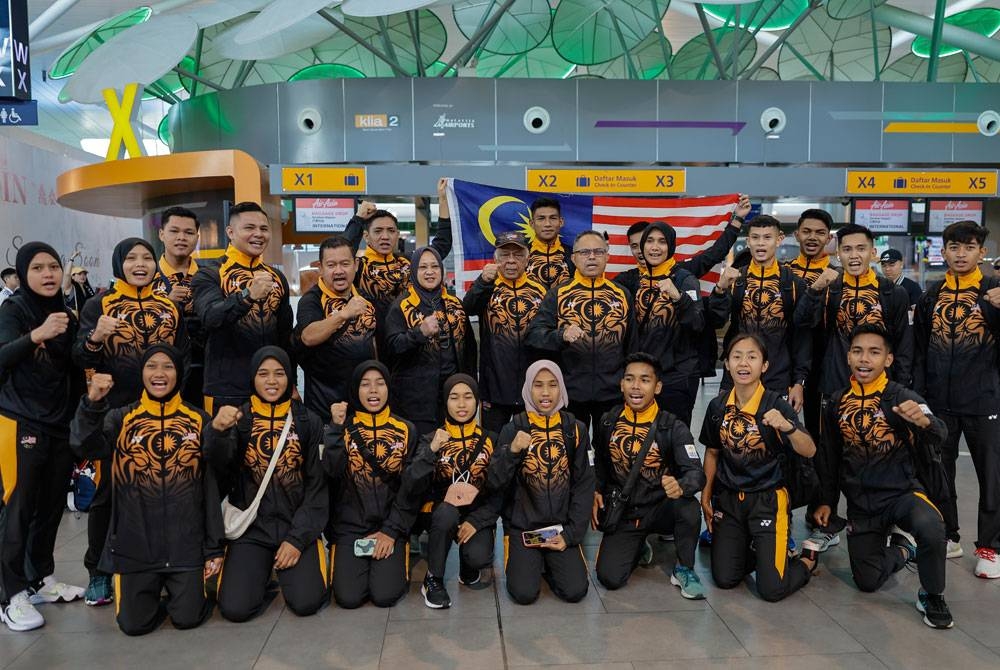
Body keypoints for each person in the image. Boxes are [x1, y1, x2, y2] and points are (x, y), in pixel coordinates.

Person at [69, 344, 223, 635]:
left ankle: (178, 589)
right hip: (136, 548)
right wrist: (91, 403)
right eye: (152, 366)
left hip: (184, 547)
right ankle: (146, 586)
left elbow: (210, 488)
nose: (160, 374)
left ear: (179, 373)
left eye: (168, 366)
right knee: (133, 625)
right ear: (141, 373)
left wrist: (212, 547)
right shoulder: (120, 418)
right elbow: (82, 445)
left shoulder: (198, 419)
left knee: (187, 618)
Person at [73, 237, 189, 608]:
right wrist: (96, 337)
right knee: (107, 493)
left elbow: (183, 355)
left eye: (146, 258)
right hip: (115, 413)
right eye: (132, 258)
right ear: (119, 263)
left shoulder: (168, 306)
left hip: (161, 411)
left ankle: (158, 564)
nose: (140, 264)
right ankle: (98, 572)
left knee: (160, 489)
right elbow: (78, 357)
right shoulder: (99, 303)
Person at [816, 325, 952, 628]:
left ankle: (932, 595)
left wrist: (925, 422)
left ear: (888, 360)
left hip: (902, 495)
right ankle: (904, 549)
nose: (864, 359)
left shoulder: (902, 396)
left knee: (931, 526)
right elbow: (829, 457)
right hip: (862, 506)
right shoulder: (836, 402)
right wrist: (826, 501)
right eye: (857, 351)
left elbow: (940, 432)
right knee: (867, 581)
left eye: (874, 352)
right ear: (848, 356)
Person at [801, 224, 913, 552]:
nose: (854, 255)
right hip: (835, 389)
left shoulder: (893, 293)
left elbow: (903, 347)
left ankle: (881, 521)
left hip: (881, 393)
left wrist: (898, 391)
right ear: (839, 253)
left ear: (872, 252)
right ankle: (825, 521)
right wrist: (815, 289)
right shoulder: (831, 289)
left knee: (876, 456)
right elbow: (802, 324)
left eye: (860, 249)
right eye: (847, 250)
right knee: (828, 458)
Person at [207, 347, 329, 621]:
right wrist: (215, 432)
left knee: (307, 602)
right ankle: (256, 574)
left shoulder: (308, 421)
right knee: (235, 609)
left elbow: (317, 487)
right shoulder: (240, 420)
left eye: (279, 373)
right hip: (251, 529)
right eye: (263, 374)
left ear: (289, 378)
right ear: (253, 378)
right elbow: (218, 470)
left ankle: (301, 557)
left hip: (295, 526)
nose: (271, 381)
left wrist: (297, 540)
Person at [0, 243, 83, 632]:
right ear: (22, 272)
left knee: (49, 506)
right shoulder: (14, 311)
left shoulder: (65, 313)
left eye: (54, 266)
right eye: (38, 268)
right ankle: (8, 594)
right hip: (20, 420)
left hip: (58, 424)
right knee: (17, 508)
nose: (48, 274)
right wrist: (35, 335)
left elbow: (75, 365)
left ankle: (39, 578)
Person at [699, 333, 819, 602]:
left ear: (764, 365)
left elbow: (809, 449)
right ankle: (762, 552)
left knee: (772, 589)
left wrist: (787, 426)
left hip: (768, 500)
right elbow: (712, 452)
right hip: (730, 500)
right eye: (736, 356)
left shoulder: (776, 405)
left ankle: (807, 561)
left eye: (752, 357)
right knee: (725, 578)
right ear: (727, 364)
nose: (744, 363)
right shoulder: (718, 406)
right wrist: (706, 496)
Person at [913, 220, 1000, 573]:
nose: (960, 254)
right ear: (943, 251)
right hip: (939, 403)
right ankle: (949, 535)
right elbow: (918, 350)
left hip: (984, 402)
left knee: (991, 476)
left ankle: (990, 548)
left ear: (982, 252)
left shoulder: (994, 290)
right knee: (939, 473)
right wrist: (919, 397)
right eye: (954, 247)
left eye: (968, 247)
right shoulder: (932, 295)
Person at [592, 353, 706, 598]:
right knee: (609, 578)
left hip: (661, 507)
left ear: (658, 387)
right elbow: (600, 463)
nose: (636, 386)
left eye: (645, 380)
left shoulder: (673, 427)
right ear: (621, 384)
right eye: (630, 379)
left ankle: (684, 569)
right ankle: (637, 545)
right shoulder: (607, 422)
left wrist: (681, 485)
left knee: (688, 507)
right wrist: (596, 490)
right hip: (626, 510)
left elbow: (696, 473)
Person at [489, 360, 594, 605]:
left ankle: (550, 562)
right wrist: (512, 452)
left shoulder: (575, 430)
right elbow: (494, 482)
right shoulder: (513, 428)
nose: (545, 393)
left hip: (560, 527)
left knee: (576, 591)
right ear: (528, 389)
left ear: (562, 388)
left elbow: (584, 485)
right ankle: (532, 562)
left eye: (552, 385)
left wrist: (571, 534)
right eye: (538, 385)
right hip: (523, 528)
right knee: (524, 594)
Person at [322, 360, 419, 609]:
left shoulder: (406, 429)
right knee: (348, 598)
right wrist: (334, 429)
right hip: (350, 528)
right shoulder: (342, 428)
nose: (373, 391)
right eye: (365, 384)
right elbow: (331, 472)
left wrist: (391, 530)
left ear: (389, 388)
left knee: (384, 595)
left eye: (379, 383)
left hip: (390, 526)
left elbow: (411, 489)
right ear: (355, 389)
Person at [404, 374, 501, 609]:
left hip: (474, 513)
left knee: (479, 557)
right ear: (445, 402)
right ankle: (433, 579)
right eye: (454, 397)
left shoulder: (491, 439)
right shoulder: (431, 438)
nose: (461, 404)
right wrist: (432, 450)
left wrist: (478, 521)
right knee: (446, 514)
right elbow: (411, 482)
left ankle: (468, 567)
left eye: (468, 397)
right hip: (439, 512)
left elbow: (500, 489)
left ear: (477, 401)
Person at [526, 230, 633, 431]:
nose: (592, 257)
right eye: (584, 252)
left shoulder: (622, 294)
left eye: (598, 251)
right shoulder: (557, 294)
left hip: (613, 394)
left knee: (610, 456)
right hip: (570, 394)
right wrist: (561, 335)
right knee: (573, 456)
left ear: (607, 256)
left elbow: (632, 344)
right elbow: (533, 336)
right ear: (573, 258)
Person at [192, 201, 293, 413]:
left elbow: (284, 337)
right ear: (230, 232)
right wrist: (248, 295)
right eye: (249, 228)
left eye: (264, 229)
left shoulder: (277, 277)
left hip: (271, 388)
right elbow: (210, 317)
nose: (258, 234)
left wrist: (290, 382)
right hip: (226, 390)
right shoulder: (209, 273)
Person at [709, 215, 810, 412]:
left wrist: (799, 382)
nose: (761, 243)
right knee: (731, 436)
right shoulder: (736, 280)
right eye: (755, 237)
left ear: (779, 239)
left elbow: (802, 337)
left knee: (777, 438)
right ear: (748, 241)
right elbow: (716, 321)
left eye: (767, 237)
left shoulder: (794, 284)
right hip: (737, 375)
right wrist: (719, 290)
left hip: (778, 378)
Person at [342, 179, 453, 337]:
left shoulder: (409, 262)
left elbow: (441, 245)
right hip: (374, 344)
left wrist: (442, 200)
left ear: (397, 235)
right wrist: (358, 218)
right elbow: (341, 253)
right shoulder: (359, 267)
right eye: (378, 231)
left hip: (411, 342)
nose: (385, 236)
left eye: (391, 231)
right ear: (366, 237)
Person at [384, 246, 476, 436]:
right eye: (423, 267)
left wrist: (471, 388)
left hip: (453, 398)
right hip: (415, 401)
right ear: (413, 271)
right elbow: (392, 348)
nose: (429, 272)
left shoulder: (455, 304)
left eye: (435, 266)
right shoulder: (401, 305)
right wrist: (419, 333)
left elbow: (469, 350)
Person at [462, 231, 546, 433]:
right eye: (505, 255)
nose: (510, 261)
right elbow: (467, 309)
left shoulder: (541, 291)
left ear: (527, 259)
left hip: (531, 390)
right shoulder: (486, 285)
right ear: (495, 258)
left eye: (517, 255)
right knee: (494, 447)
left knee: (530, 450)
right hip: (494, 389)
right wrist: (482, 282)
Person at [629, 222, 705, 427]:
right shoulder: (637, 281)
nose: (655, 247)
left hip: (677, 377)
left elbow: (698, 324)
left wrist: (678, 298)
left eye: (662, 242)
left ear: (671, 246)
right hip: (644, 375)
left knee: (673, 437)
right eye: (650, 241)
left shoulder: (684, 279)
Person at [295, 235, 376, 422]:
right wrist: (342, 314)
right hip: (324, 410)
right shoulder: (311, 300)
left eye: (345, 264)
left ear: (355, 265)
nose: (338, 271)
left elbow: (374, 344)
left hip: (364, 407)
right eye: (331, 265)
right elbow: (308, 336)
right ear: (321, 269)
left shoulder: (366, 299)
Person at [613, 195, 751, 297]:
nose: (641, 250)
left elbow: (715, 253)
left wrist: (737, 219)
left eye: (646, 241)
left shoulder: (681, 273)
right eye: (634, 246)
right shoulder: (627, 280)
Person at [786, 209, 834, 449]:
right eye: (807, 231)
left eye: (819, 232)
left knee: (821, 436)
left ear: (829, 238)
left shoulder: (837, 276)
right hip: (784, 365)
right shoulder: (784, 273)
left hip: (823, 367)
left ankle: (820, 486)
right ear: (797, 235)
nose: (812, 237)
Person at [152, 206, 205, 406]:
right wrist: (167, 304)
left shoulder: (210, 277)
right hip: (159, 372)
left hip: (206, 372)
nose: (181, 237)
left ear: (197, 237)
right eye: (174, 231)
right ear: (161, 234)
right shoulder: (146, 278)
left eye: (189, 232)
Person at [525, 197, 574, 290]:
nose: (547, 224)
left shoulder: (574, 255)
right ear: (531, 223)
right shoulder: (520, 255)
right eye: (541, 218)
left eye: (553, 218)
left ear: (561, 222)